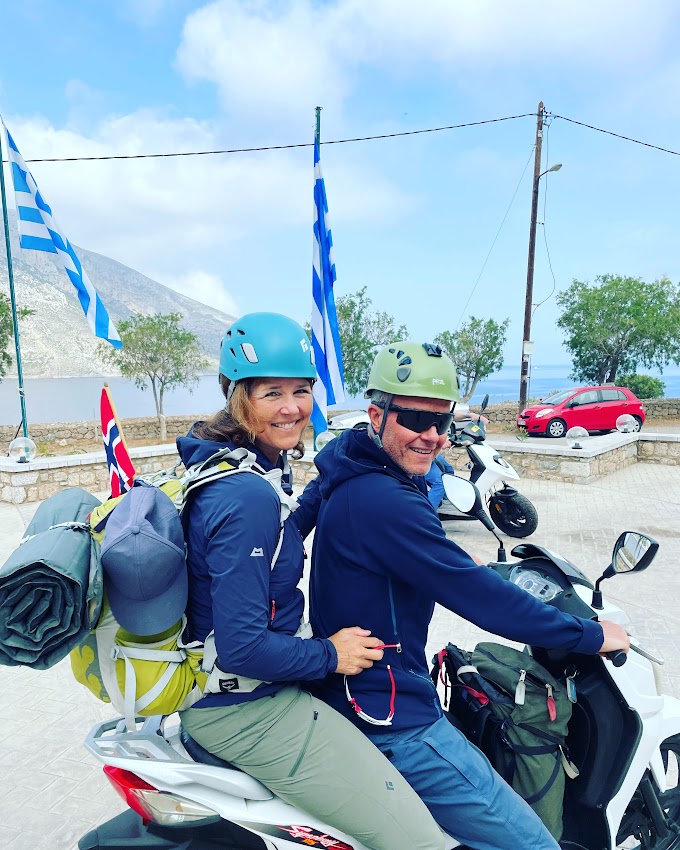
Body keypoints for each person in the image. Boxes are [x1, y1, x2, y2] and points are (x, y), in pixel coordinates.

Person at [308, 340, 630, 850]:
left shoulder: (352, 466)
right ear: (376, 415)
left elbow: (409, 556)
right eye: (416, 419)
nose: (432, 436)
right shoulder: (383, 498)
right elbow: (482, 602)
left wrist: (456, 562)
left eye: (442, 421)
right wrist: (590, 635)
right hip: (393, 719)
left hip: (360, 693)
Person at [177, 314, 444, 850]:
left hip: (250, 695)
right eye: (271, 393)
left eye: (301, 391)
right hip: (246, 710)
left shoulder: (243, 466)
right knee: (421, 842)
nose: (292, 408)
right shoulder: (245, 494)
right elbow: (242, 648)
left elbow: (285, 532)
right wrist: (331, 654)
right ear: (239, 397)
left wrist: (341, 465)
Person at [424, 441, 455, 509]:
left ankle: (446, 497)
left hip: (431, 452)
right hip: (422, 455)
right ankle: (428, 510)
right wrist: (438, 444)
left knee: (449, 469)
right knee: (441, 481)